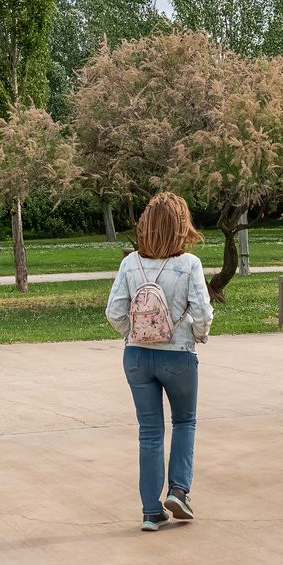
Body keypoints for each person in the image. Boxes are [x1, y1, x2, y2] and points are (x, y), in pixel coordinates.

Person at [106, 191, 214, 532]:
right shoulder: (188, 264)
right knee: (184, 422)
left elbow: (114, 311)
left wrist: (135, 333)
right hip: (178, 357)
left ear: (145, 226)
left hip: (136, 357)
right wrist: (197, 335)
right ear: (182, 227)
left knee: (149, 432)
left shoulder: (129, 263)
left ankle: (151, 512)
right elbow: (202, 312)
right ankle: (179, 491)